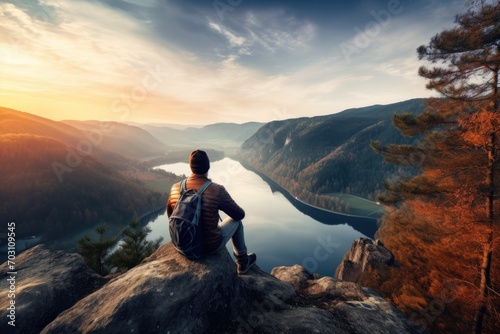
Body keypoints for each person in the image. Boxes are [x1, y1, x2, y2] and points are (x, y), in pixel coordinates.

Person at [167, 149, 257, 274]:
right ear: (208, 167)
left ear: (191, 167)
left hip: (183, 245)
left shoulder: (175, 188)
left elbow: (171, 216)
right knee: (236, 223)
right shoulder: (216, 190)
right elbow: (239, 214)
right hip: (209, 247)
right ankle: (243, 262)